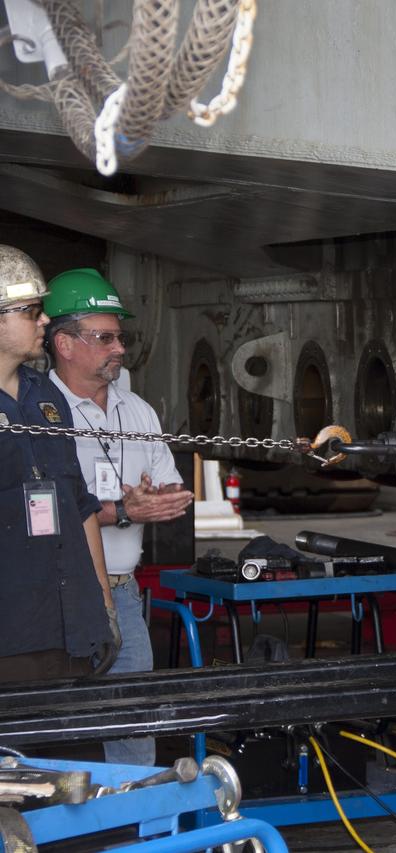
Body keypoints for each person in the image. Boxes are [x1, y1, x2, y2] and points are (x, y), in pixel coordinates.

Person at [44, 268, 193, 765]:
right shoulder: (36, 413)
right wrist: (126, 510)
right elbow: (46, 512)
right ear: (64, 344)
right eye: (103, 337)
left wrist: (163, 497)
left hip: (122, 593)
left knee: (134, 720)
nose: (119, 348)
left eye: (119, 337)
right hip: (52, 596)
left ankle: (137, 828)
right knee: (46, 721)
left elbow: (167, 479)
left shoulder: (139, 411)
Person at [0, 246, 116, 684]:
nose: (45, 321)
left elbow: (78, 504)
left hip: (72, 631)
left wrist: (104, 604)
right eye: (32, 311)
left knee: (78, 750)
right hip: (10, 637)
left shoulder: (48, 397)